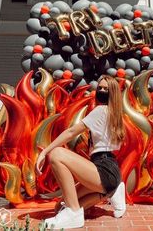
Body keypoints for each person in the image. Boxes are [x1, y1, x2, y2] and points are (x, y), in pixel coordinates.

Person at [36, 75, 126, 229]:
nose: (102, 91)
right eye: (100, 88)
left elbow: (71, 132)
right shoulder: (116, 114)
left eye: (106, 89)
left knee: (57, 154)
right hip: (108, 169)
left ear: (113, 92)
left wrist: (45, 152)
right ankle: (108, 192)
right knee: (60, 207)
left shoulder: (101, 110)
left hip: (103, 168)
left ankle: (74, 213)